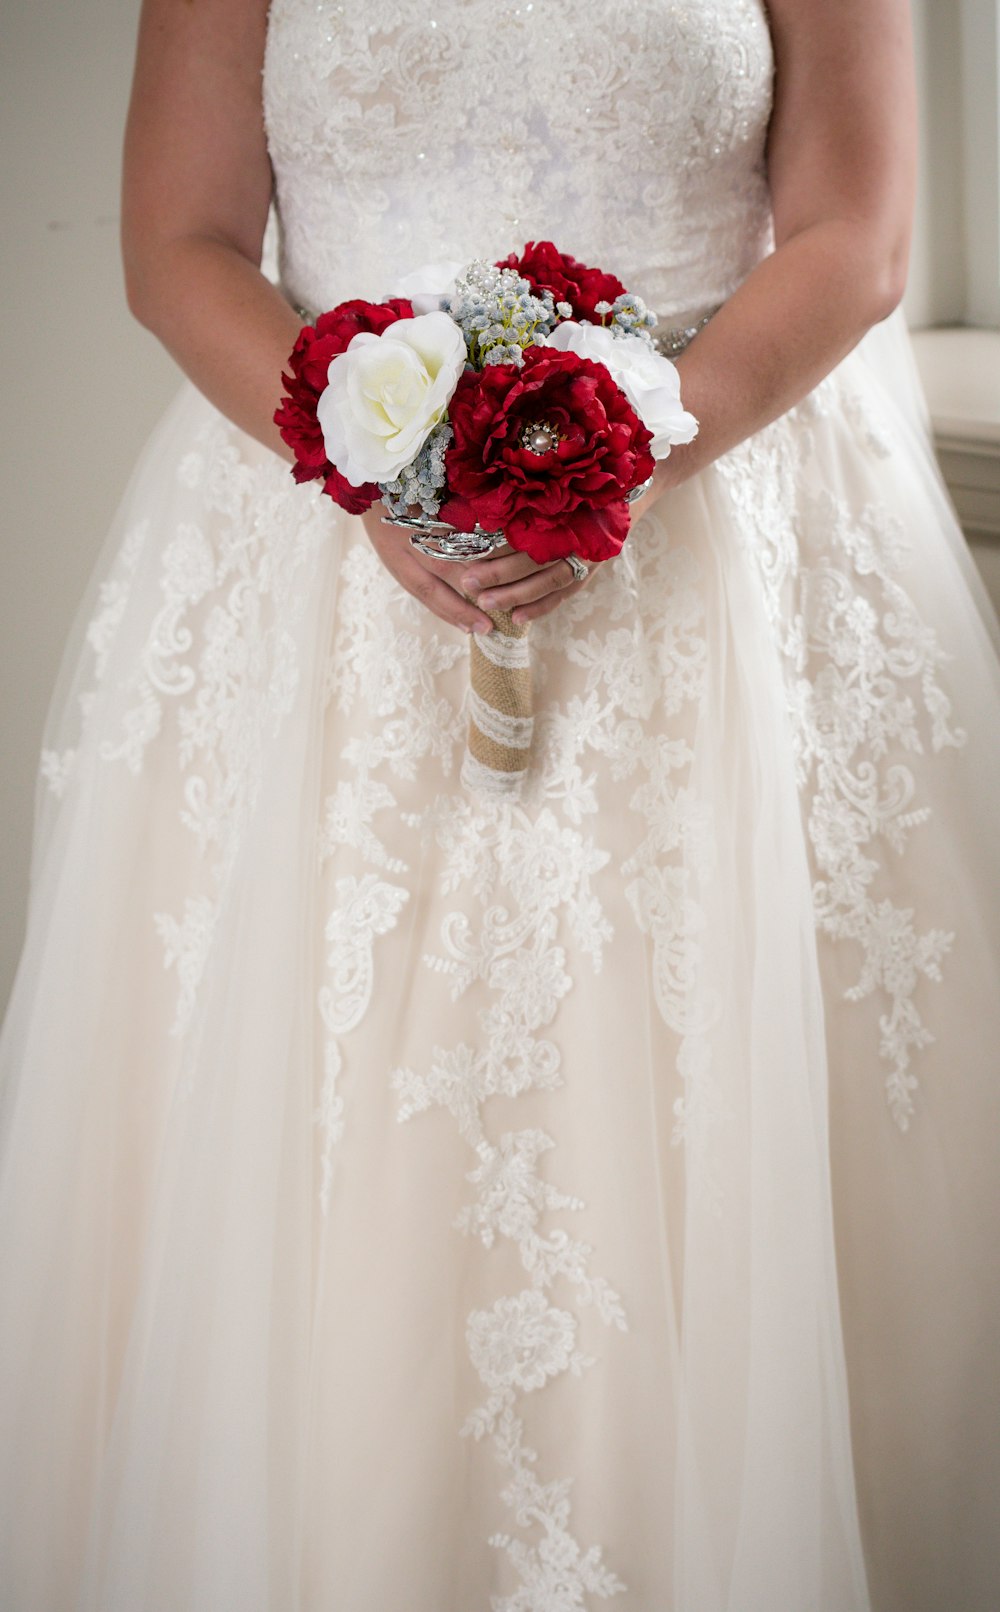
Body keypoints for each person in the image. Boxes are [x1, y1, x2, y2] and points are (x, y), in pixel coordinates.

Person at [1, 0, 998, 1607]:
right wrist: (374, 467)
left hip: (713, 533)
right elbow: (178, 240)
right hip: (330, 560)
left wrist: (626, 452)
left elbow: (854, 231)